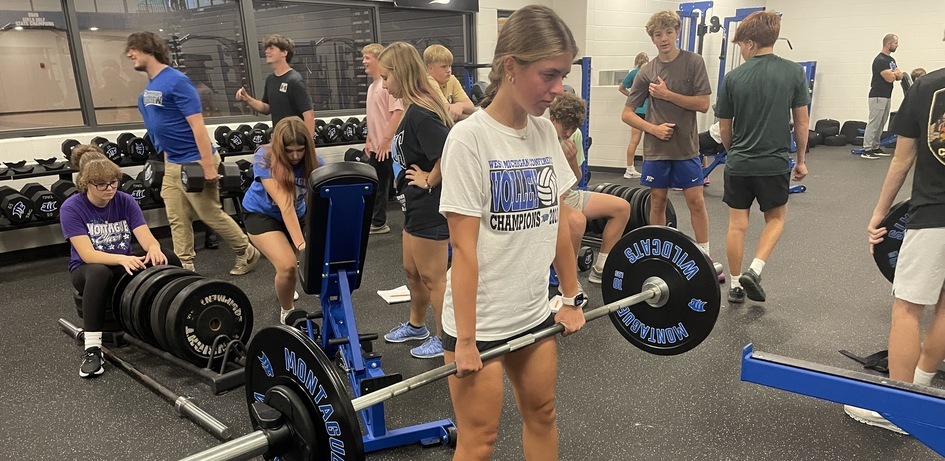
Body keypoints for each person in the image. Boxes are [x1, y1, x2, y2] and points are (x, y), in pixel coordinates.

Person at [438, 6, 587, 459]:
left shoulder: (544, 133)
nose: (559, 89)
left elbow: (558, 221)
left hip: (532, 311)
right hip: (478, 322)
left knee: (542, 414)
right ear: (510, 68)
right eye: (549, 75)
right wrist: (464, 341)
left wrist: (571, 294)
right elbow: (463, 250)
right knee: (480, 441)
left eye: (563, 75)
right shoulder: (469, 140)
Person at [844, 64, 945, 434]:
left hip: (934, 214)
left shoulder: (926, 87)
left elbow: (902, 160)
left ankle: (902, 411)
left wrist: (879, 213)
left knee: (907, 308)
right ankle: (920, 384)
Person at [126, 31, 260, 275]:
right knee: (177, 217)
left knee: (209, 213)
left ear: (149, 49)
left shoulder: (176, 81)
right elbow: (162, 129)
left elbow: (197, 125)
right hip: (173, 162)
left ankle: (247, 251)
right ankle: (184, 267)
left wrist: (208, 167)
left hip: (196, 159)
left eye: (133, 48)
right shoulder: (151, 87)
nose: (129, 53)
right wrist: (167, 162)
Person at [60, 145, 180, 378]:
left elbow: (146, 238)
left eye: (113, 182)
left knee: (169, 257)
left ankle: (172, 324)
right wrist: (122, 258)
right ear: (86, 184)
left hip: (123, 261)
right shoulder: (72, 207)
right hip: (87, 268)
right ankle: (93, 348)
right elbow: (87, 254)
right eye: (101, 184)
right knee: (99, 273)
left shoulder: (124, 200)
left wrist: (154, 249)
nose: (109, 189)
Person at [714, 11, 809, 304]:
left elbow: (724, 127)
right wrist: (802, 159)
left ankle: (734, 285)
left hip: (739, 163)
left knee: (736, 225)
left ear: (752, 43)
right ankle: (754, 271)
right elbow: (802, 122)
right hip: (773, 163)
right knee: (776, 218)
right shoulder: (794, 72)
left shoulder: (732, 78)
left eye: (741, 45)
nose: (741, 51)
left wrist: (733, 154)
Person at [621, 11, 716, 276]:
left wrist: (666, 95)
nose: (664, 39)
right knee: (658, 202)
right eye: (658, 34)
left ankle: (705, 256)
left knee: (696, 201)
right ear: (652, 38)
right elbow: (626, 113)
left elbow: (703, 103)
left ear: (677, 33)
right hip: (656, 149)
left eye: (668, 33)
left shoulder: (693, 62)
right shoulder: (646, 70)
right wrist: (652, 128)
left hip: (686, 147)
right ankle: (660, 255)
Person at [377, 42, 454, 359]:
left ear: (400, 73)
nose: (384, 84)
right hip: (412, 207)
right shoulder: (412, 108)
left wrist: (429, 178)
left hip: (430, 207)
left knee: (434, 278)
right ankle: (416, 325)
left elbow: (449, 154)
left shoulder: (421, 114)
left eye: (386, 77)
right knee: (412, 271)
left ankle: (443, 338)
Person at [241, 117, 319, 325]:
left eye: (300, 150)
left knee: (295, 264)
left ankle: (287, 284)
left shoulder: (314, 162)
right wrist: (302, 244)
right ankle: (288, 311)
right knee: (287, 266)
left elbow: (318, 198)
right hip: (261, 214)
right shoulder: (264, 157)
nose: (295, 156)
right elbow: (285, 203)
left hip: (297, 213)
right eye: (289, 151)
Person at [549, 93, 631, 285]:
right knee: (578, 221)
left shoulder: (574, 136)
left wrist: (571, 160)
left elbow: (576, 179)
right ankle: (568, 281)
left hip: (570, 195)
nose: (569, 132)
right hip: (549, 200)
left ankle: (601, 268)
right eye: (565, 127)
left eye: (574, 128)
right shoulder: (542, 136)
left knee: (622, 208)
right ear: (553, 118)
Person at [362, 43, 406, 235]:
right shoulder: (373, 87)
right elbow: (374, 116)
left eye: (367, 58)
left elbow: (398, 112)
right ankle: (379, 222)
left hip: (389, 148)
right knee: (376, 186)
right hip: (377, 147)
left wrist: (387, 141)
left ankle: (414, 222)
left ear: (379, 60)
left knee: (403, 185)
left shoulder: (388, 85)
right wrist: (369, 139)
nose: (363, 61)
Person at [235, 34, 315, 136]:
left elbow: (309, 116)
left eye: (271, 49)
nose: (266, 52)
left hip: (294, 140)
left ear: (284, 53)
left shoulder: (294, 81)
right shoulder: (270, 80)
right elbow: (266, 108)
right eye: (266, 49)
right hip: (280, 139)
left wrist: (307, 144)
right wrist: (247, 98)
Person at [861, 33, 902, 160]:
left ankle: (875, 147)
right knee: (874, 122)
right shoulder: (880, 60)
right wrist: (895, 74)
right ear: (888, 44)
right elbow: (890, 78)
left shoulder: (891, 60)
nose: (897, 45)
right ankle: (867, 149)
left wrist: (895, 74)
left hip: (886, 96)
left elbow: (900, 75)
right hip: (877, 96)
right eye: (896, 43)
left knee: (881, 122)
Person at [423, 44, 475, 121]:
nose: (449, 70)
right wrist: (470, 118)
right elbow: (446, 111)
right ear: (430, 68)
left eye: (450, 66)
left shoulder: (451, 79)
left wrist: (460, 105)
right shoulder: (428, 82)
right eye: (444, 67)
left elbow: (471, 107)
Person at [619, 52, 649, 179]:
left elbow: (621, 87)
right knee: (649, 143)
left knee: (634, 141)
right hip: (649, 111)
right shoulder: (649, 72)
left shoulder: (633, 72)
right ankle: (648, 171)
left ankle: (629, 169)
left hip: (637, 111)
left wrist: (633, 98)